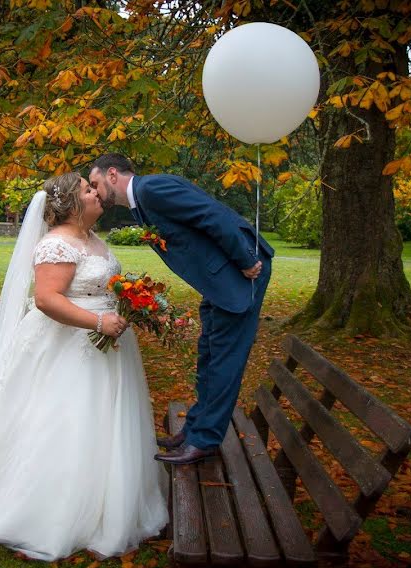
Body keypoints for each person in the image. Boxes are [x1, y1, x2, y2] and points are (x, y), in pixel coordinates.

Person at [0, 172, 168, 561]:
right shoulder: (57, 245)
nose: (96, 192)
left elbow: (101, 288)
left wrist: (128, 305)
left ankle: (109, 503)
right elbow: (47, 299)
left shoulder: (93, 240)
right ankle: (52, 509)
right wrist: (99, 322)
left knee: (106, 422)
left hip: (107, 348)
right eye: (87, 189)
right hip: (68, 347)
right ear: (70, 203)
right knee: (68, 420)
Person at [89, 154, 274, 466]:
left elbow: (211, 215)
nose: (95, 192)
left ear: (111, 175)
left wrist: (245, 261)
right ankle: (194, 429)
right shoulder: (143, 202)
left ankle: (205, 440)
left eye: (94, 184)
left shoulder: (152, 189)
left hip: (239, 273)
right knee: (209, 354)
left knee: (225, 361)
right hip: (218, 280)